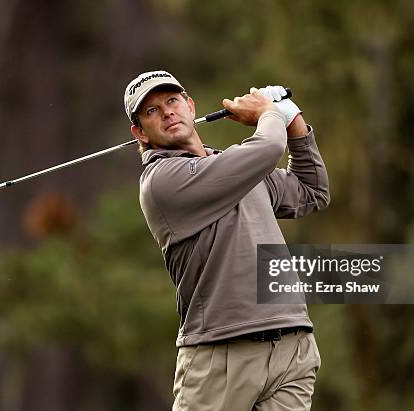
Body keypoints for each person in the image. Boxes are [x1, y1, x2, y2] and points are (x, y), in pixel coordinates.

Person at [124, 70, 330, 411]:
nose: (167, 113)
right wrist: (267, 113)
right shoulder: (162, 182)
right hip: (220, 354)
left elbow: (312, 191)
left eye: (172, 101)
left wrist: (292, 118)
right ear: (140, 134)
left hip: (291, 347)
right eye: (151, 111)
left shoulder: (233, 165)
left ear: (190, 106)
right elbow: (267, 147)